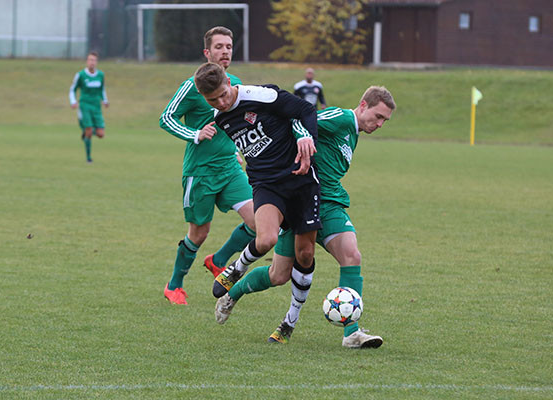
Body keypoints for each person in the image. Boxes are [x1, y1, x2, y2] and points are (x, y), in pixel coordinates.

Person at [215, 86, 396, 349]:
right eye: (378, 116)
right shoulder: (342, 119)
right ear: (364, 105)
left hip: (330, 204)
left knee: (351, 256)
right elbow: (300, 119)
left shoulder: (353, 133)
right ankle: (235, 292)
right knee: (278, 275)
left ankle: (352, 333)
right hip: (301, 199)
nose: (380, 124)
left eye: (385, 121)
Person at [193, 62, 321, 307]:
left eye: (223, 95)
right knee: (265, 240)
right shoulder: (220, 118)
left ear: (230, 83)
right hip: (265, 183)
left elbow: (305, 110)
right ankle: (236, 268)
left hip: (296, 177)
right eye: (212, 100)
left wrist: (308, 139)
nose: (220, 103)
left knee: (304, 253)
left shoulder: (263, 96)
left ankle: (242, 273)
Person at [159, 26, 256, 305]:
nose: (225, 51)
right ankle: (174, 285)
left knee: (258, 222)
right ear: (207, 52)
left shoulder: (235, 82)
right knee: (199, 233)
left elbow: (237, 123)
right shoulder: (192, 86)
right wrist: (195, 134)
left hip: (229, 168)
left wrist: (238, 149)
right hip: (199, 173)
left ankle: (219, 260)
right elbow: (166, 118)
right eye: (219, 47)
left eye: (228, 46)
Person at [69, 51, 109, 163]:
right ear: (87, 61)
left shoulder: (101, 75)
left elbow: (102, 90)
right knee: (89, 130)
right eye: (90, 60)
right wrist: (73, 101)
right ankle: (88, 158)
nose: (92, 62)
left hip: (96, 106)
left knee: (101, 134)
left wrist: (105, 100)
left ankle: (86, 133)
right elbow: (72, 89)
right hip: (85, 105)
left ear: (97, 62)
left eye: (94, 60)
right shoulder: (80, 75)